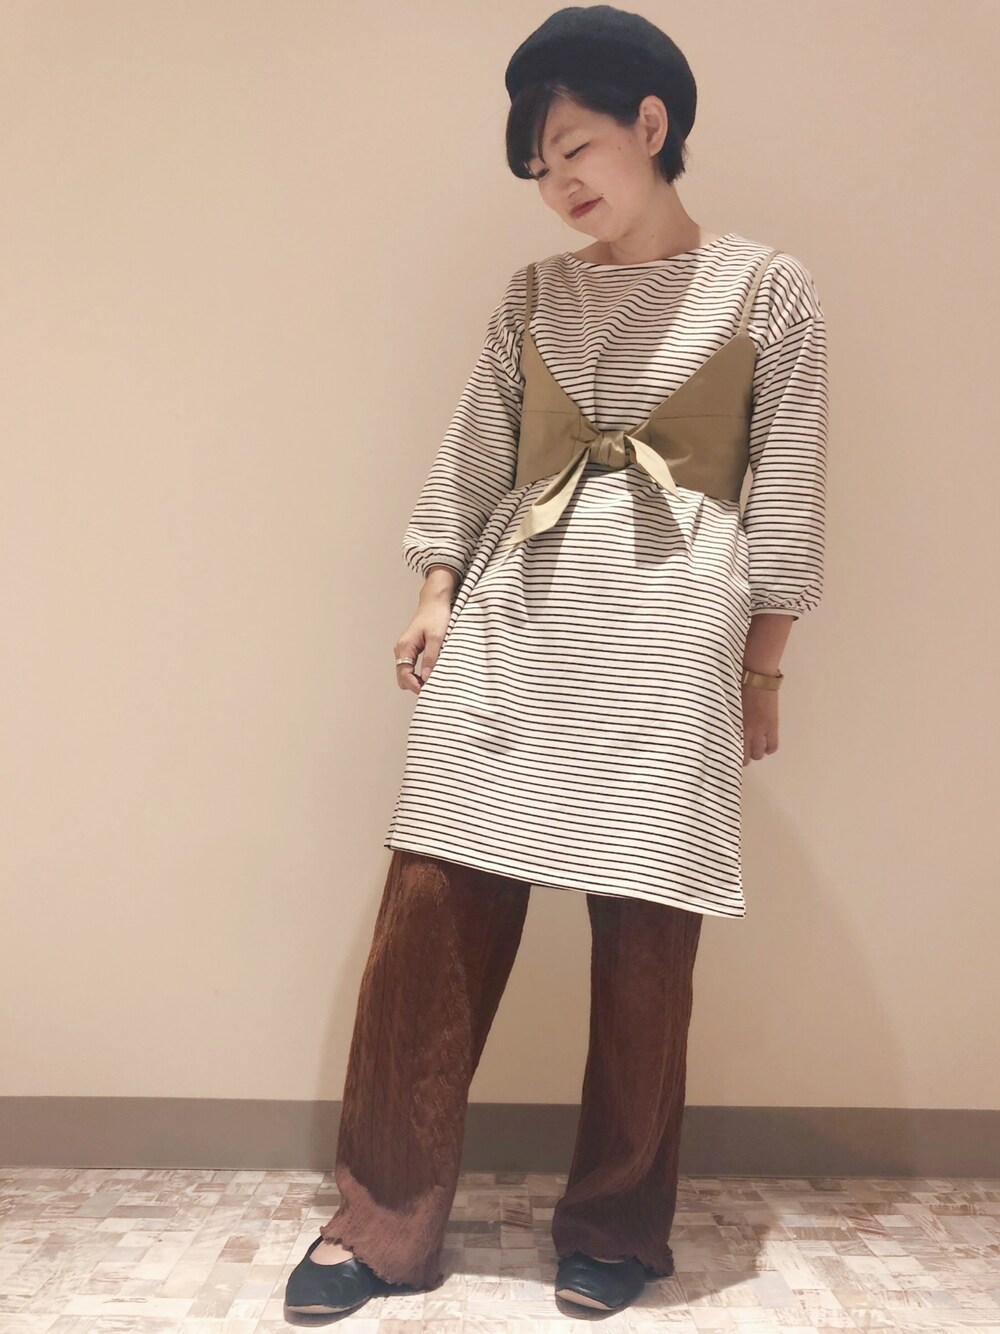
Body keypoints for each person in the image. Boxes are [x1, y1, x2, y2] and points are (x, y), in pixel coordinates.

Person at [284, 3, 828, 1320]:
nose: (559, 182)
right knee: (431, 908)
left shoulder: (769, 289)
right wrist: (435, 590)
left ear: (653, 123)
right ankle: (381, 1220)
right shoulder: (533, 294)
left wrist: (762, 670)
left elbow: (788, 493)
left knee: (646, 936)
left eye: (574, 146)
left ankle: (616, 1227)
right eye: (539, 165)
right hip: (514, 618)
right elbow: (477, 451)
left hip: (671, 634)